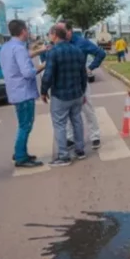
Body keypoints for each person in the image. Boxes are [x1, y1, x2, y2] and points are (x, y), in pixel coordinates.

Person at [0, 19, 45, 168]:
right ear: (23, 31)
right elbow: (28, 73)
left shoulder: (7, 47)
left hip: (15, 91)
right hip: (24, 92)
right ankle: (20, 157)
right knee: (26, 125)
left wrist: (41, 50)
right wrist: (43, 65)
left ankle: (21, 152)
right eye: (27, 30)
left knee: (22, 124)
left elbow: (25, 56)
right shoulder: (19, 49)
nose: (28, 32)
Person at [41, 26, 88, 166]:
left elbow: (48, 75)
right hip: (76, 93)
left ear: (55, 35)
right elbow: (83, 75)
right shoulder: (77, 51)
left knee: (60, 124)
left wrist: (43, 91)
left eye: (49, 34)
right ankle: (80, 150)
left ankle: (63, 156)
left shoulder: (53, 52)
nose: (49, 36)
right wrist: (83, 91)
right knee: (77, 121)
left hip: (60, 95)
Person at [56, 20, 106, 150]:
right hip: (65, 83)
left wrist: (90, 68)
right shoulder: (59, 43)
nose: (58, 33)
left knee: (87, 108)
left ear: (69, 30)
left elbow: (101, 53)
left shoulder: (81, 42)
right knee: (67, 112)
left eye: (62, 30)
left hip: (80, 81)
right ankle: (70, 138)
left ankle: (95, 136)